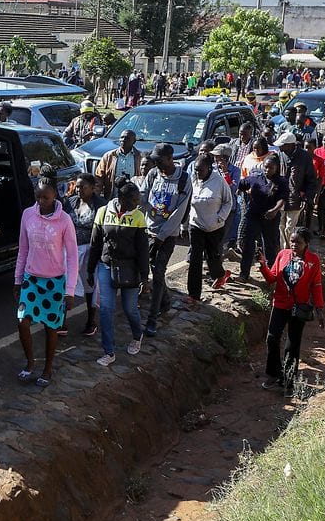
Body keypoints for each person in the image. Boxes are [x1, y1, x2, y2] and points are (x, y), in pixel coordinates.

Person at [14, 173, 78, 386]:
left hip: (54, 282)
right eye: (38, 197)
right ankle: (30, 363)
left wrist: (70, 291)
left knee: (51, 328)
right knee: (23, 322)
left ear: (55, 197)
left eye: (46, 198)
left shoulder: (65, 221)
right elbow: (23, 249)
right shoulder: (27, 215)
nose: (41, 202)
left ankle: (47, 369)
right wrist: (17, 280)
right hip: (31, 278)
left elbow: (72, 256)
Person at [87, 176, 149, 364]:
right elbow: (95, 243)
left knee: (130, 309)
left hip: (130, 268)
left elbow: (143, 250)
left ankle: (137, 335)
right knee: (106, 310)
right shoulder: (103, 212)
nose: (137, 204)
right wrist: (90, 270)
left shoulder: (138, 217)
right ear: (122, 199)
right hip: (107, 266)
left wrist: (145, 277)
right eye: (134, 201)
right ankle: (109, 351)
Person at [257, 227, 325, 394]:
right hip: (280, 304)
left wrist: (319, 309)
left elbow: (316, 286)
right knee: (272, 339)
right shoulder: (283, 255)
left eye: (298, 242)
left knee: (292, 345)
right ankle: (273, 374)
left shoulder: (313, 260)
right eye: (292, 241)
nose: (294, 244)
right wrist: (263, 265)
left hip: (298, 308)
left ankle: (289, 381)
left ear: (306, 243)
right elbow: (271, 278)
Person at [139, 143, 191, 337]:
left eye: (160, 161)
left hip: (167, 235)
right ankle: (166, 302)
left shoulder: (184, 179)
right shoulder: (153, 174)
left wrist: (161, 237)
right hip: (148, 231)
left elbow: (179, 212)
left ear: (170, 158)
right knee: (152, 272)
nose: (158, 164)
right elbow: (143, 198)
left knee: (158, 272)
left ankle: (152, 318)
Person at [64, 173, 108, 337]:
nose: (78, 189)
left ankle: (91, 321)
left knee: (90, 285)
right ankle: (61, 321)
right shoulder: (70, 202)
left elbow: (103, 232)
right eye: (77, 186)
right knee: (65, 284)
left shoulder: (101, 205)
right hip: (69, 250)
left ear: (92, 187)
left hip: (90, 251)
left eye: (83, 186)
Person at [187, 153, 233, 301]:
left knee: (212, 257)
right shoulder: (193, 179)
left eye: (201, 170)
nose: (198, 173)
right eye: (196, 170)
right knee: (195, 259)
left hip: (214, 227)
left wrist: (220, 218)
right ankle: (193, 294)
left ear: (209, 168)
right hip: (196, 224)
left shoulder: (219, 182)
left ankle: (220, 274)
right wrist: (184, 223)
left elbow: (228, 202)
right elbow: (187, 201)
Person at [236, 155, 287, 280]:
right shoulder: (255, 178)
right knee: (248, 244)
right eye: (266, 167)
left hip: (270, 217)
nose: (267, 170)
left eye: (271, 168)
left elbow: (282, 199)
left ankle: (271, 273)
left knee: (269, 245)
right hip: (253, 216)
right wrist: (244, 194)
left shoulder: (281, 182)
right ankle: (244, 273)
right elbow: (241, 184)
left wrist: (274, 210)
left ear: (277, 168)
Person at [276, 131, 318, 249]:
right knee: (281, 226)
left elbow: (312, 180)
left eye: (282, 145)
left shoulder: (304, 157)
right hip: (281, 198)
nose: (280, 147)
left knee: (290, 227)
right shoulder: (281, 155)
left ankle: (290, 251)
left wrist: (306, 197)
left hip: (296, 198)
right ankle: (284, 251)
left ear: (290, 145)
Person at [95, 129, 140, 199]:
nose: (123, 140)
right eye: (122, 137)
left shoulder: (139, 157)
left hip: (132, 200)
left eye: (127, 138)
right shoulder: (109, 156)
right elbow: (99, 177)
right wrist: (97, 197)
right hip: (112, 198)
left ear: (134, 141)